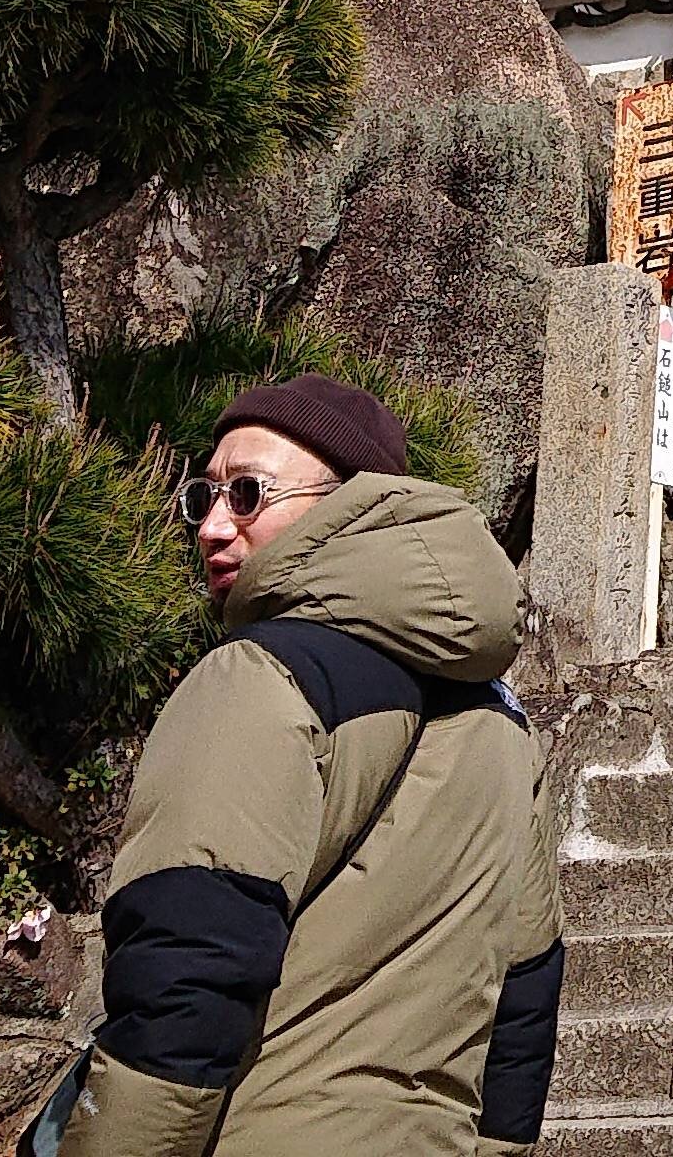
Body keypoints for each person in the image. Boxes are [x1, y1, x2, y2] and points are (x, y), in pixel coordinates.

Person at [58, 378, 565, 1157]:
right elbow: (524, 996)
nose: (213, 527)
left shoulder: (258, 679)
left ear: (347, 505)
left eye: (249, 493)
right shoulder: (506, 726)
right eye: (206, 495)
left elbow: (187, 980)